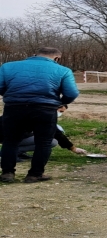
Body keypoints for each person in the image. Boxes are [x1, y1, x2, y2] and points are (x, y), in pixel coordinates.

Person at [0, 47, 79, 183]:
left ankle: (7, 173)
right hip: (45, 109)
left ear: (34, 55)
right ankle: (35, 174)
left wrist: (13, 97)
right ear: (57, 58)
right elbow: (72, 93)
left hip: (14, 108)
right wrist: (61, 102)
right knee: (44, 142)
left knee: (11, 141)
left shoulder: (7, 67)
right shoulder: (63, 71)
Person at [0, 105, 88, 161]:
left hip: (9, 134)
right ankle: (10, 153)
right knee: (51, 141)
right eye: (60, 111)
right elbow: (55, 133)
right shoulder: (43, 115)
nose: (60, 114)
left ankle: (15, 152)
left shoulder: (32, 109)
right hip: (7, 135)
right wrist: (73, 148)